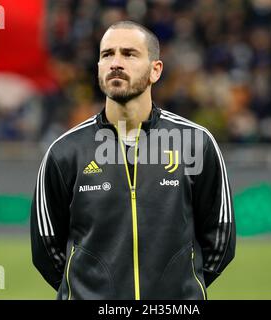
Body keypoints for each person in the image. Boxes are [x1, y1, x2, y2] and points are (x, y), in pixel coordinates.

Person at [30, 20, 236, 300]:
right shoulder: (65, 151)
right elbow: (45, 248)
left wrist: (179, 291)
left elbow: (220, 240)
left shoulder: (196, 144)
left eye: (129, 54)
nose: (116, 62)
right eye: (107, 54)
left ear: (155, 70)